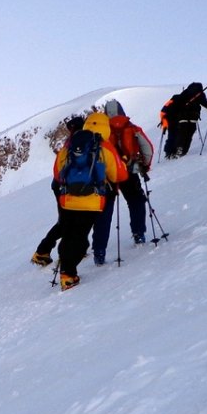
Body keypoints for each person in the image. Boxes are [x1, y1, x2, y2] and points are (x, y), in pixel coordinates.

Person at [50, 109, 128, 289]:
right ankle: (68, 275)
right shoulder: (104, 146)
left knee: (69, 233)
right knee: (81, 237)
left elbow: (57, 173)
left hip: (68, 198)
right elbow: (119, 175)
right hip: (92, 200)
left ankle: (65, 265)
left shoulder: (70, 145)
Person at [92, 99, 155, 262]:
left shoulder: (102, 131)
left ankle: (99, 252)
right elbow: (147, 147)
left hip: (108, 176)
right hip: (130, 170)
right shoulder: (132, 127)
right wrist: (145, 166)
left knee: (105, 212)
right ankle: (138, 233)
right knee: (136, 201)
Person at [31, 113, 88, 267]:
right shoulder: (79, 144)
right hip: (67, 188)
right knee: (67, 222)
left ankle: (45, 252)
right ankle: (44, 251)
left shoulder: (69, 144)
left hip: (60, 186)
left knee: (68, 221)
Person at [159, 83, 207, 158]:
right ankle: (183, 151)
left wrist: (164, 122)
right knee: (188, 134)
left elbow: (164, 111)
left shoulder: (177, 97)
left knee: (174, 135)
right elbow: (206, 104)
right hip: (192, 117)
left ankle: (171, 152)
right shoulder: (199, 94)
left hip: (177, 118)